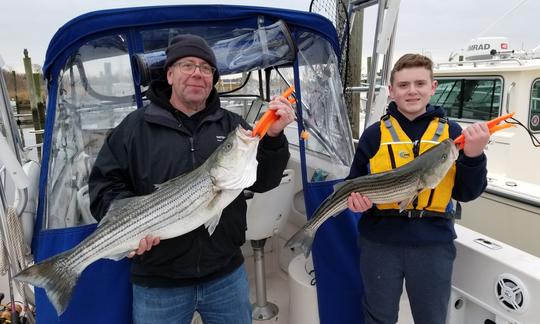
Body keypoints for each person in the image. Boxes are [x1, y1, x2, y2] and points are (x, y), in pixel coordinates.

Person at [88, 34, 294, 324]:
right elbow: (104, 187)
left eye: (206, 68)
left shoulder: (232, 125)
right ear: (170, 74)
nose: (198, 73)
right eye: (187, 65)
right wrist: (131, 220)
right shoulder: (134, 128)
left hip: (226, 273)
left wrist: (273, 138)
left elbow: (264, 180)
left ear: (213, 80)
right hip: (158, 281)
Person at [347, 53, 490, 324]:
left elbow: (466, 193)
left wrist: (474, 156)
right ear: (391, 91)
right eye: (403, 85)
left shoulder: (452, 134)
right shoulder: (373, 135)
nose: (412, 91)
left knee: (432, 318)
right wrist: (356, 202)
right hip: (380, 242)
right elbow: (355, 184)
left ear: (432, 87)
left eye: (420, 83)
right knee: (378, 316)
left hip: (433, 242)